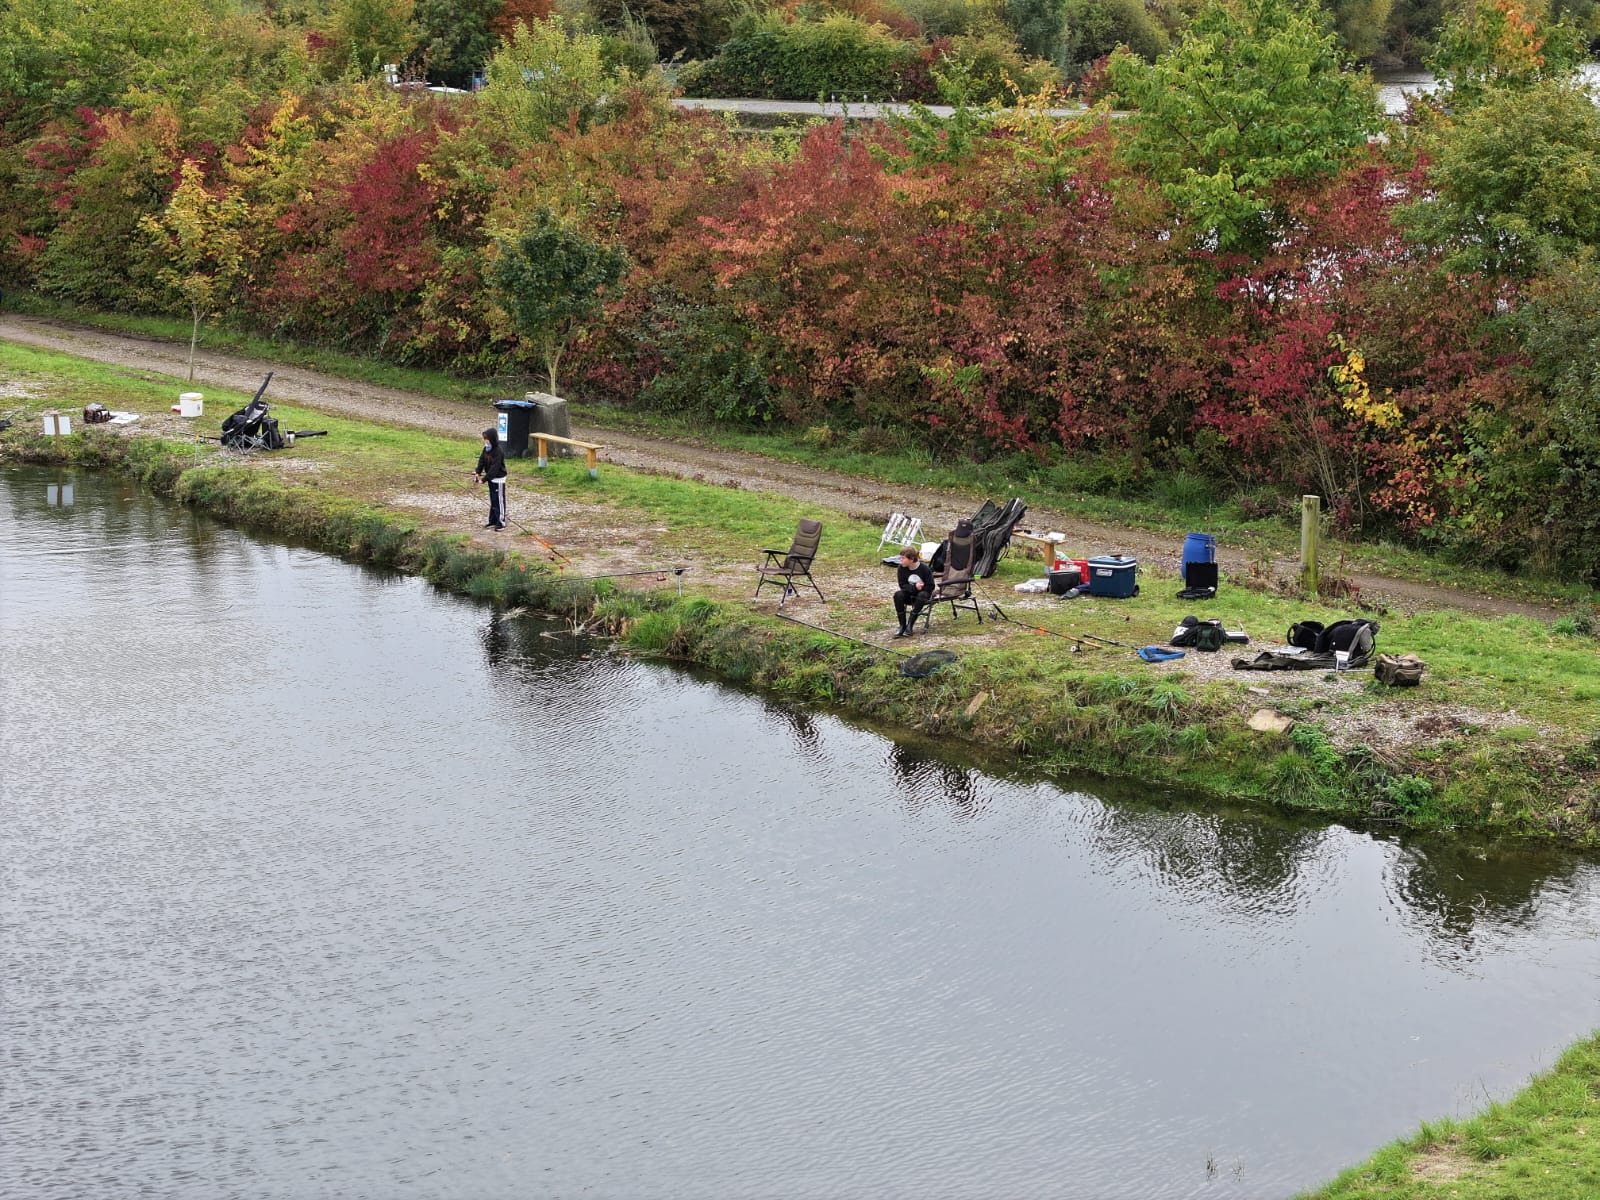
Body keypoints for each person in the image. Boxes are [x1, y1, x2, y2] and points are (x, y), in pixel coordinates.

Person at [892, 545, 935, 637]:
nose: (901, 560)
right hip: (909, 594)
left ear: (911, 559)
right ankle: (902, 625)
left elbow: (931, 586)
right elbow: (902, 585)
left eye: (903, 558)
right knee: (898, 595)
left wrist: (921, 588)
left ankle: (910, 624)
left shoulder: (924, 569)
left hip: (922, 595)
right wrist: (915, 587)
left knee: (922, 595)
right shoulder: (901, 568)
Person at [474, 427, 508, 530]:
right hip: (491, 479)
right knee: (493, 500)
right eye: (484, 439)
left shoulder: (498, 451)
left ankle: (501, 522)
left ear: (492, 439)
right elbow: (481, 461)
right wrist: (477, 472)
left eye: (487, 439)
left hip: (498, 479)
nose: (485, 441)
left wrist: (484, 479)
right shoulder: (486, 449)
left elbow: (494, 469)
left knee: (499, 500)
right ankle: (493, 520)